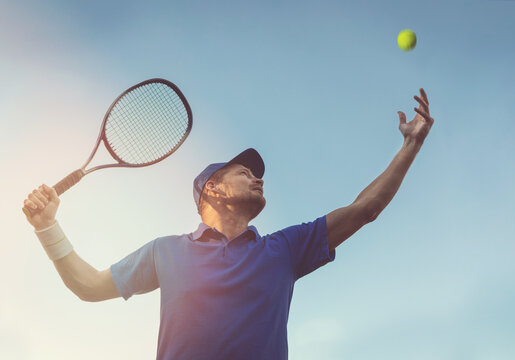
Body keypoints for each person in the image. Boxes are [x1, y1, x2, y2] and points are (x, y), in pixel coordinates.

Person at [23, 88, 434, 360]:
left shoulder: (284, 248)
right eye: (244, 173)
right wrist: (47, 227)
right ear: (213, 190)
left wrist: (411, 144)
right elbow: (89, 286)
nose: (258, 178)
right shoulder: (166, 251)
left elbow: (367, 207)